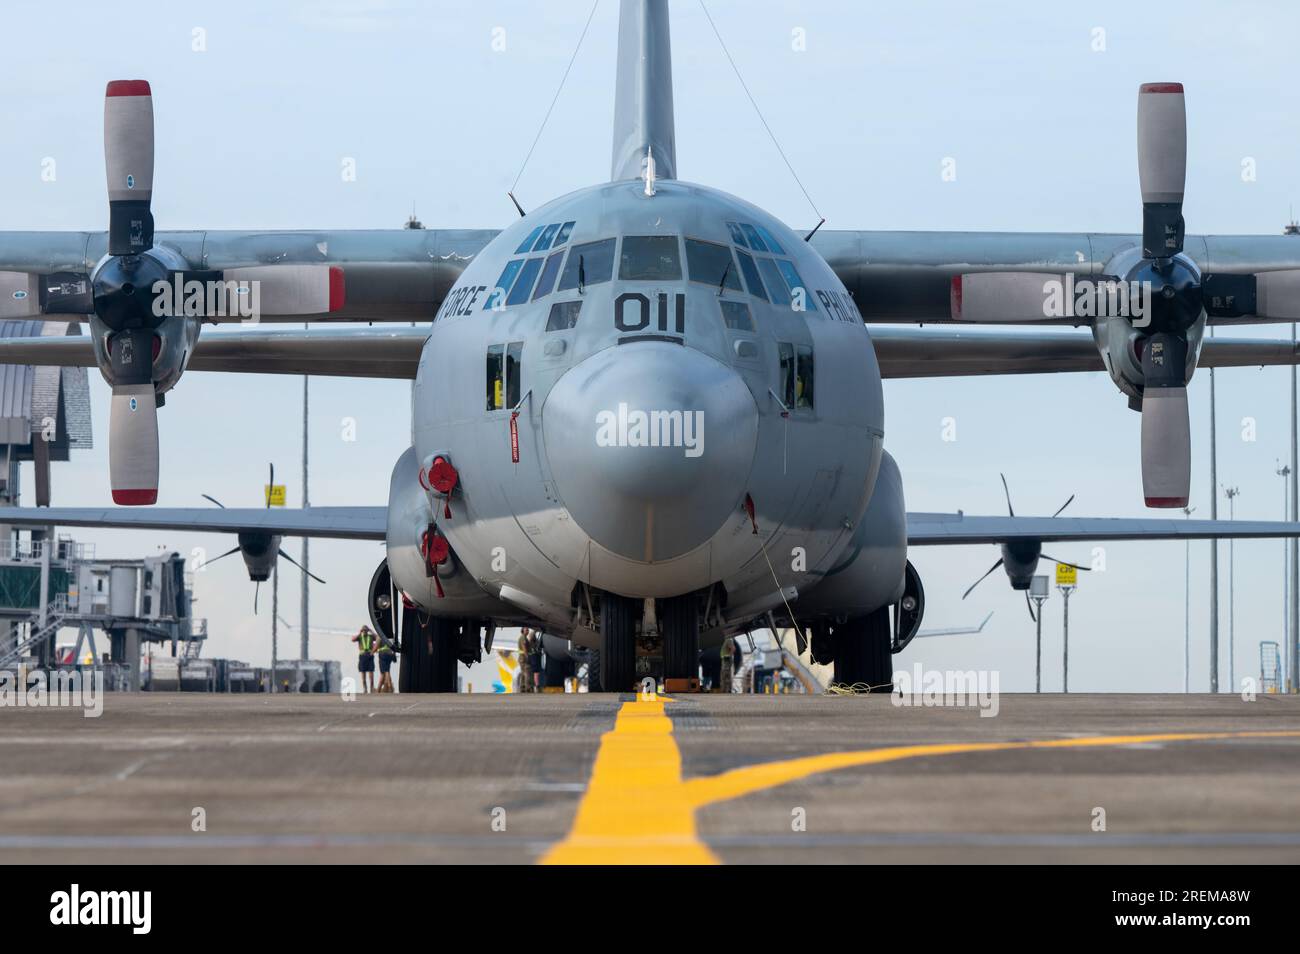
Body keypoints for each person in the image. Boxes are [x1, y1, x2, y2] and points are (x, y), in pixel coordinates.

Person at [352, 626, 377, 694]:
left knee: (371, 672)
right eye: (364, 630)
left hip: (369, 655)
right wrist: (360, 632)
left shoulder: (371, 636)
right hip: (362, 656)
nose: (365, 631)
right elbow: (353, 639)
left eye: (366, 630)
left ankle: (371, 688)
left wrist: (371, 630)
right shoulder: (360, 636)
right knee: (363, 673)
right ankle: (365, 688)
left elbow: (378, 638)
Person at [517, 627, 539, 693]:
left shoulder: (524, 637)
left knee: (523, 673)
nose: (527, 631)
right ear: (523, 631)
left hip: (522, 657)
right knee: (527, 673)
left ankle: (522, 688)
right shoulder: (523, 638)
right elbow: (524, 648)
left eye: (528, 630)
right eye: (526, 630)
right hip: (524, 658)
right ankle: (528, 688)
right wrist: (527, 657)